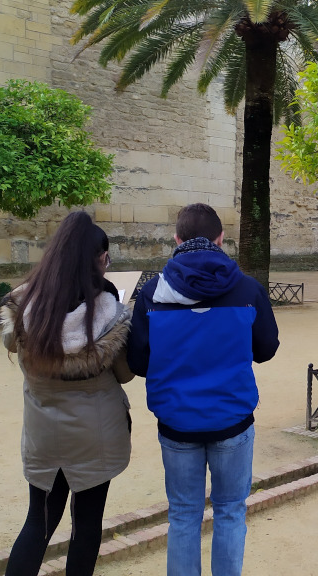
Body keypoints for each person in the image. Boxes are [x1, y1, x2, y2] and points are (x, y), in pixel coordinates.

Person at [127, 204, 279, 576]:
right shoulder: (248, 289)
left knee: (183, 514)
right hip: (232, 419)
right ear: (220, 239)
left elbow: (139, 363)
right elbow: (266, 349)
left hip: (177, 421)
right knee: (230, 511)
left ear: (177, 239)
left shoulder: (152, 294)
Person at [0, 212, 133, 576]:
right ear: (99, 259)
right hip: (95, 436)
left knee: (37, 524)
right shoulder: (111, 314)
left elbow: (11, 343)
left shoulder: (25, 306)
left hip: (43, 433)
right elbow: (125, 373)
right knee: (86, 526)